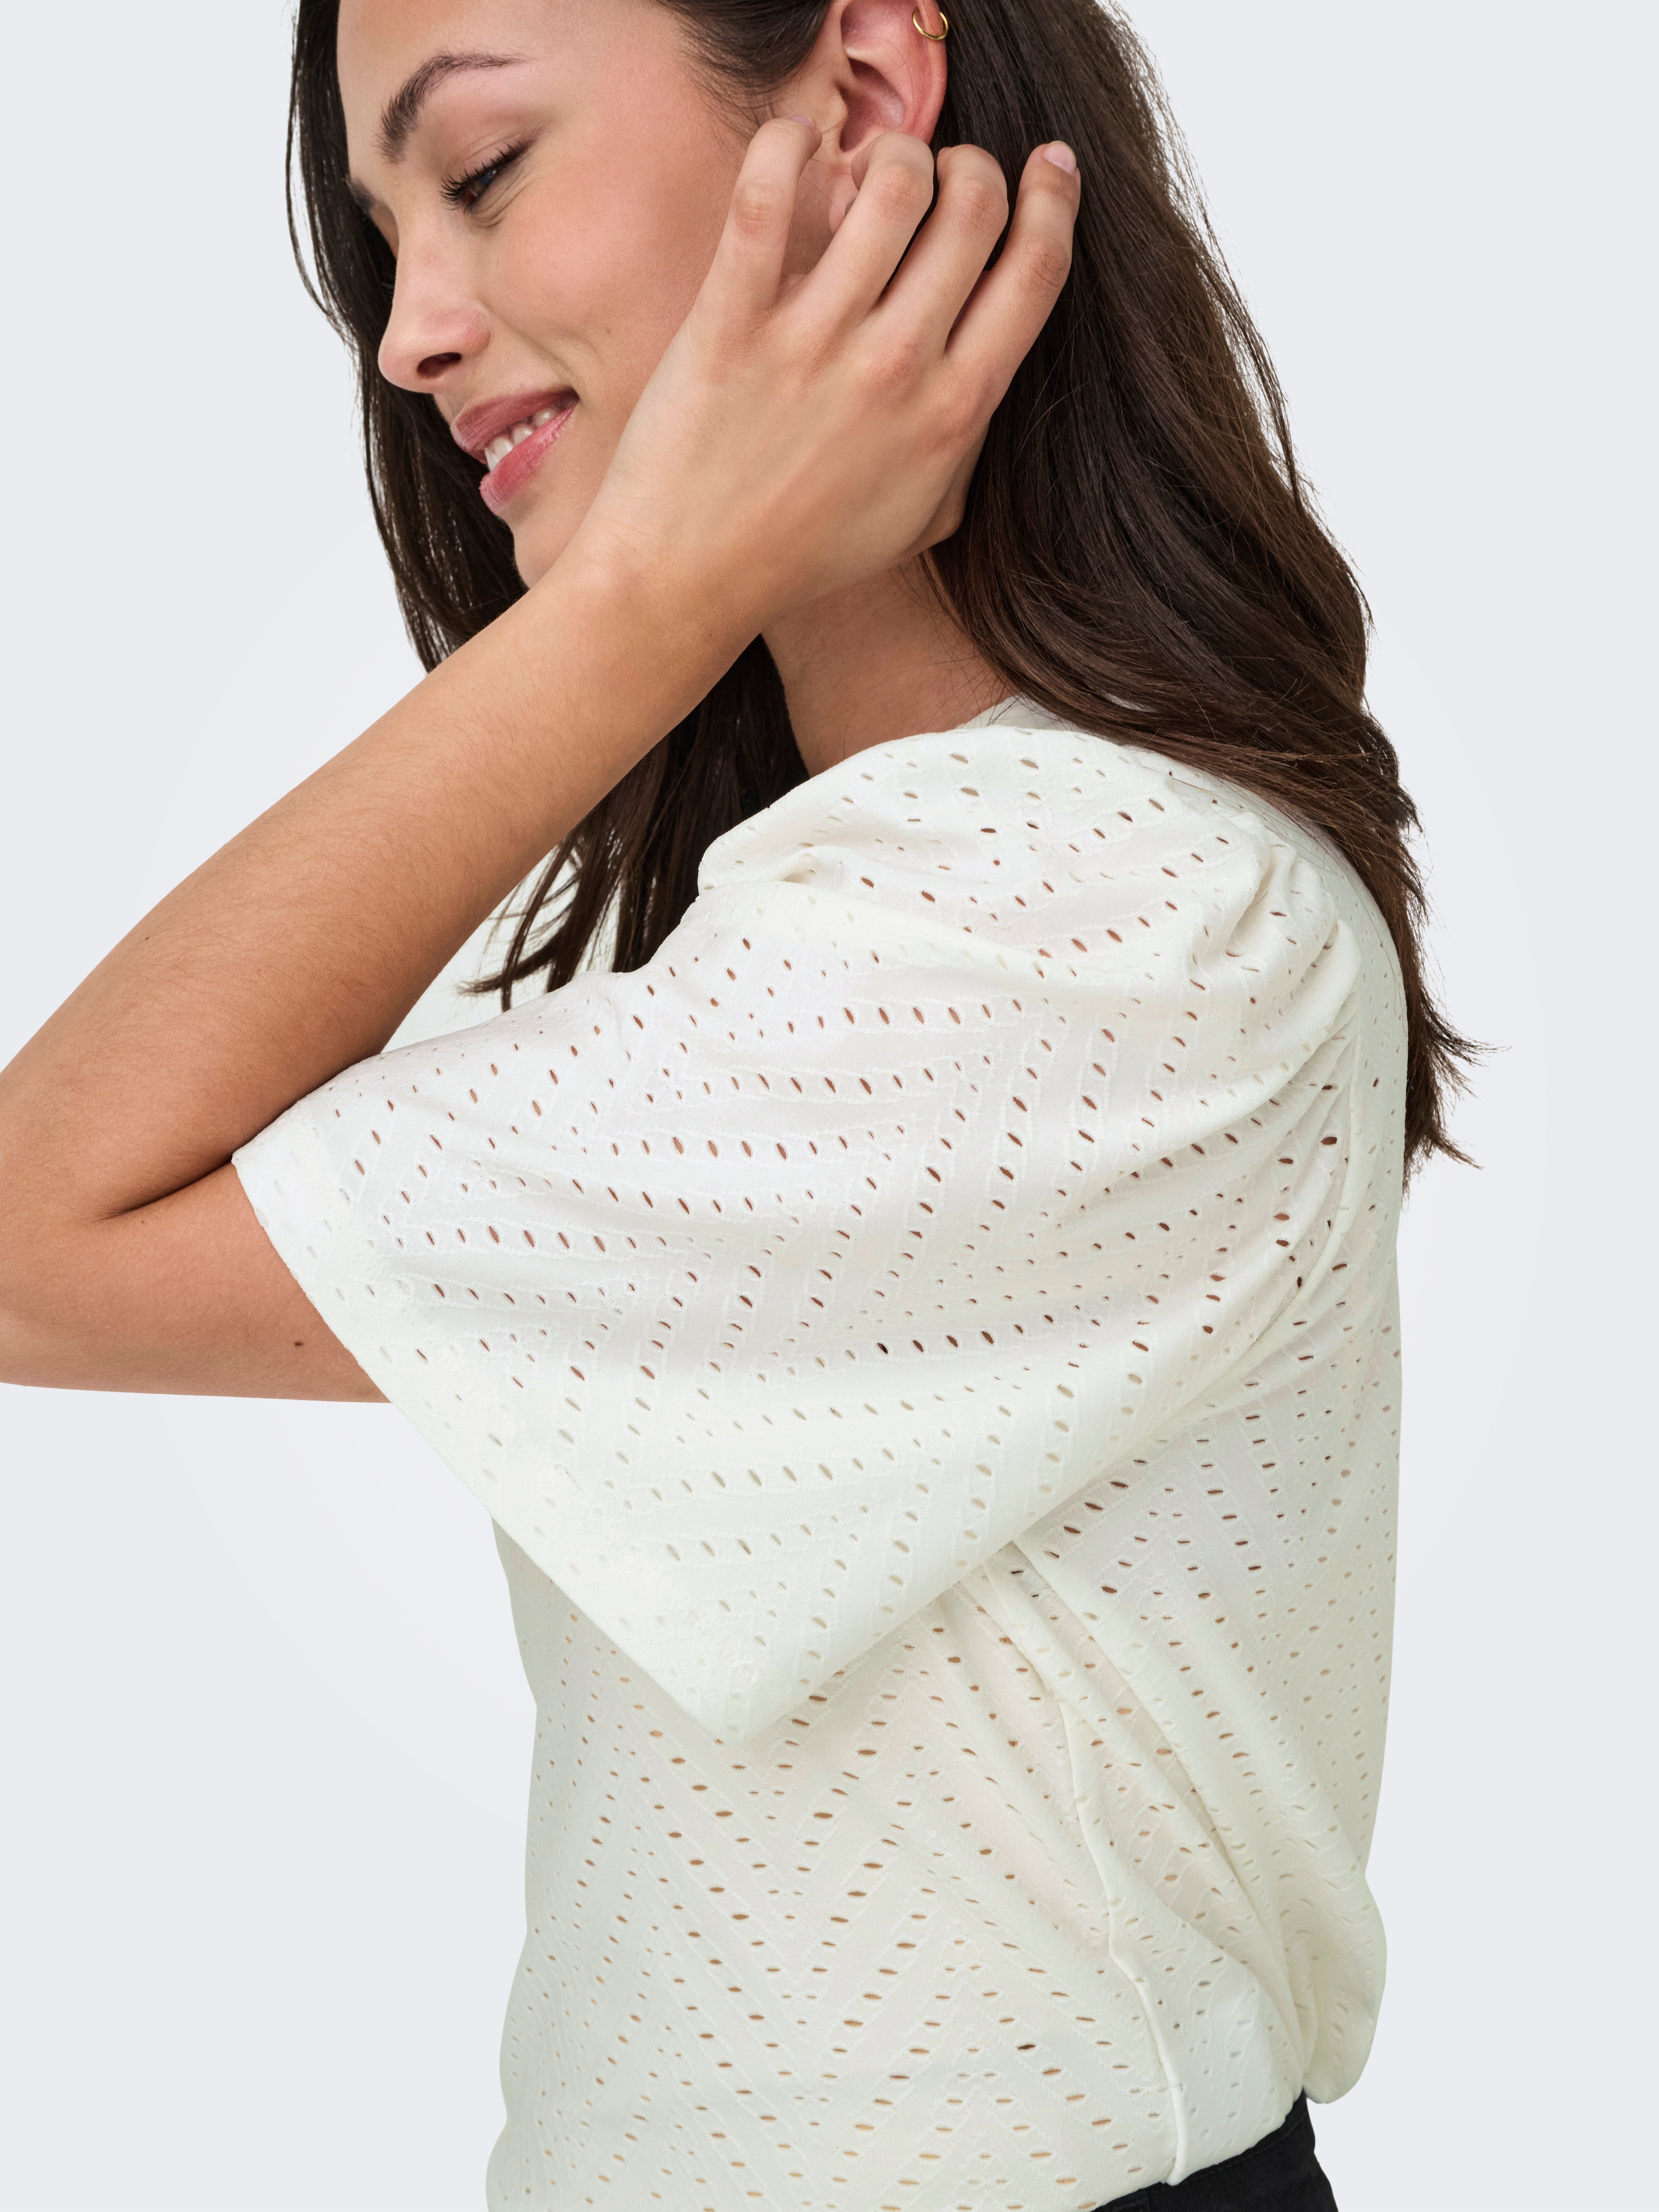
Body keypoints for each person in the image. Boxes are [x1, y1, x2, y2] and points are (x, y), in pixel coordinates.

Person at [0, 2, 1470, 2205]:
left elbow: (33, 1241)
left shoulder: (1102, 912)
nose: (409, 331)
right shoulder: (763, 925)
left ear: (861, 103)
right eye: (384, 238)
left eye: (480, 174)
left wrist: (645, 603)